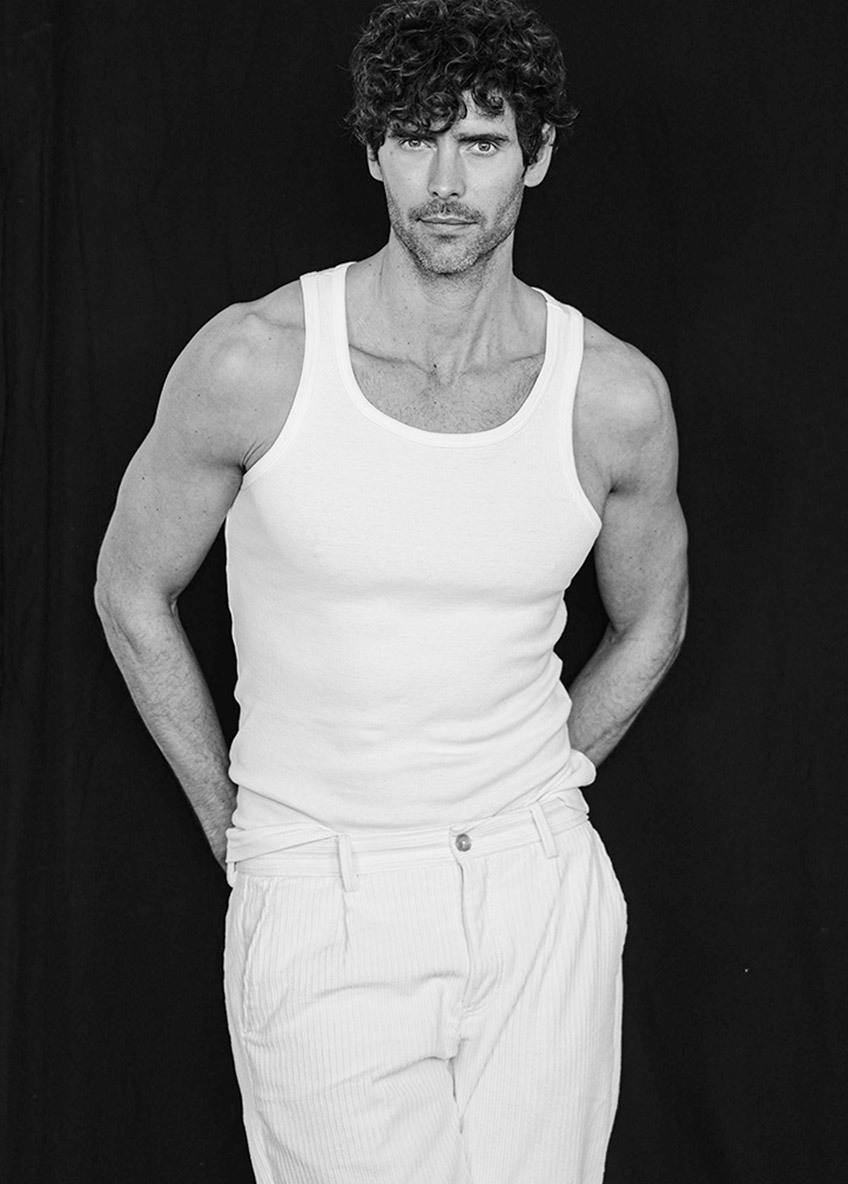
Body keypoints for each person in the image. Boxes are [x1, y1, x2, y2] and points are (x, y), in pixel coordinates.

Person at [94, 0, 688, 1180]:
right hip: (326, 889)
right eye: (415, 139)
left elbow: (652, 616)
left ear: (536, 155)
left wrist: (539, 779)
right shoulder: (256, 362)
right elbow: (129, 588)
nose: (446, 181)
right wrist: (244, 828)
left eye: (481, 141)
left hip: (536, 891)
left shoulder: (610, 397)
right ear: (372, 151)